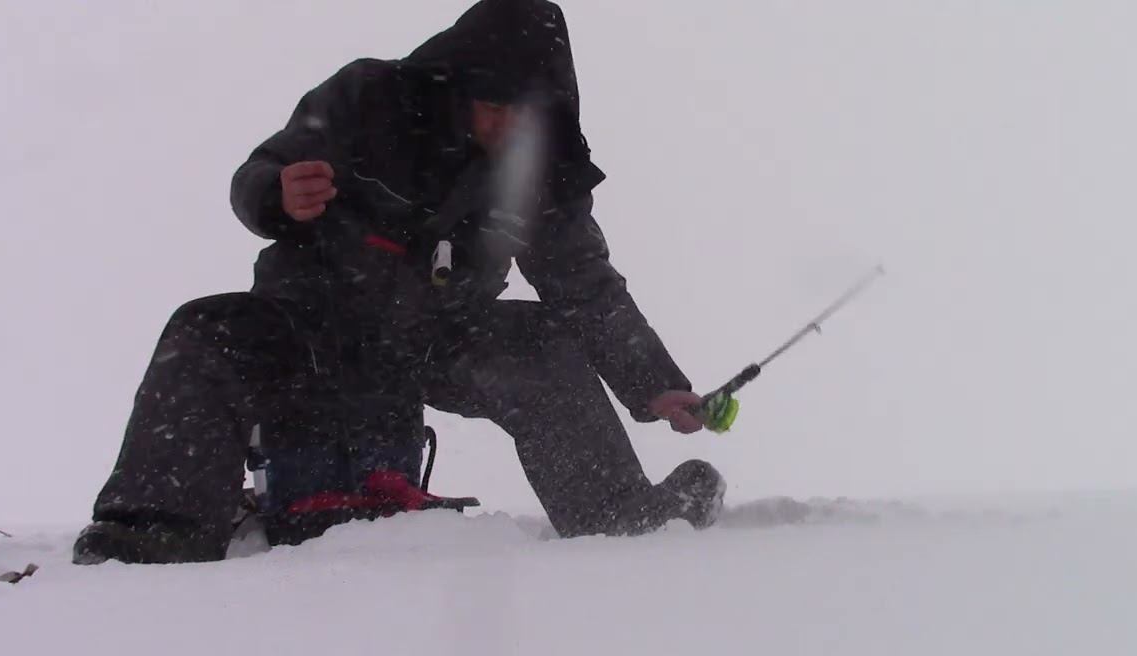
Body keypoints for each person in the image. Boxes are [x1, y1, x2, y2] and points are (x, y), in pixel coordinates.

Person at [73, 0, 725, 565]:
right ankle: (155, 535)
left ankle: (615, 517)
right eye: (493, 106)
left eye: (524, 113)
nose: (507, 126)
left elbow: (585, 285)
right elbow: (257, 177)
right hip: (310, 320)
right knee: (206, 330)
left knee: (541, 342)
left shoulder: (544, 167)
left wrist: (653, 382)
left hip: (436, 338)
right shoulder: (365, 97)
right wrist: (277, 194)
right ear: (460, 82)